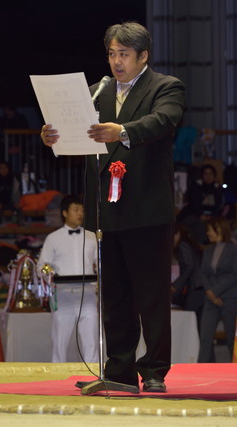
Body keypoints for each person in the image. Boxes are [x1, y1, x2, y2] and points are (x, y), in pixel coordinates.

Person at [41, 22, 185, 393]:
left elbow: (163, 121)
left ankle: (153, 371)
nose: (116, 62)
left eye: (124, 54)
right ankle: (119, 370)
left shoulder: (166, 87)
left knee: (151, 295)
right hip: (107, 209)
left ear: (143, 56)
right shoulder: (96, 92)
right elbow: (74, 134)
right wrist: (53, 136)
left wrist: (121, 131)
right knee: (115, 296)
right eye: (111, 54)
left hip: (147, 209)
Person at [36, 195, 98, 363]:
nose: (80, 214)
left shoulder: (92, 237)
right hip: (63, 296)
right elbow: (42, 266)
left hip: (88, 295)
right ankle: (58, 374)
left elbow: (100, 264)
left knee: (91, 340)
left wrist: (100, 281)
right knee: (59, 342)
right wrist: (50, 275)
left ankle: (92, 373)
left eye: (82, 210)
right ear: (64, 213)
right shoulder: (53, 238)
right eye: (75, 210)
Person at [198, 217, 237, 363]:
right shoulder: (208, 250)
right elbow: (203, 273)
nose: (207, 233)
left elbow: (235, 275)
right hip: (210, 299)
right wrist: (210, 293)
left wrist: (214, 291)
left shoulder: (235, 249)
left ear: (219, 230)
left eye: (210, 230)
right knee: (205, 338)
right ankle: (202, 370)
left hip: (229, 298)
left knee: (232, 338)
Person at [171, 222, 205, 327]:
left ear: (178, 233)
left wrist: (176, 285)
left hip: (195, 288)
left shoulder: (183, 245)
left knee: (188, 320)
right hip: (200, 287)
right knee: (197, 323)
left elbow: (189, 267)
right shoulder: (190, 244)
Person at [0, 161, 21, 225]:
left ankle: (18, 226)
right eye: (1, 168)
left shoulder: (13, 180)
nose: (3, 170)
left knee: (18, 208)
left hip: (10, 203)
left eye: (5, 168)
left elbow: (17, 193)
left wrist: (17, 203)